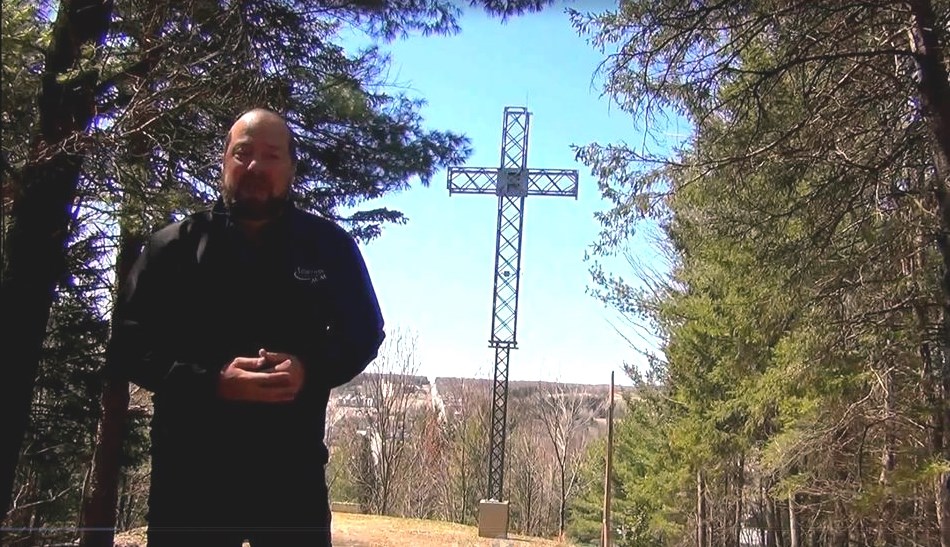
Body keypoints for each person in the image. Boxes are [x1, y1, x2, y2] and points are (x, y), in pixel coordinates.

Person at [106, 107, 385, 546]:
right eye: (243, 153)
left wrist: (309, 370)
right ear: (224, 162)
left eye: (271, 155)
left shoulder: (328, 247)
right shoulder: (173, 247)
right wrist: (211, 382)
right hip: (190, 481)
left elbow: (365, 333)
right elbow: (127, 343)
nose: (255, 166)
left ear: (292, 167)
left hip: (291, 475)